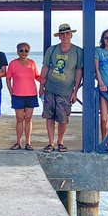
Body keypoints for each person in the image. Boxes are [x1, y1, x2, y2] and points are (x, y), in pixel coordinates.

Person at [39, 23, 83, 152]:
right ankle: (51, 143)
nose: (65, 36)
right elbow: (45, 67)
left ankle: (60, 142)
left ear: (71, 35)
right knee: (49, 117)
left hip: (66, 91)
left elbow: (79, 71)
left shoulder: (77, 51)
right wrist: (41, 86)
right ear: (59, 36)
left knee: (63, 119)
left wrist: (75, 91)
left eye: (67, 33)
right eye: (62, 34)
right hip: (50, 88)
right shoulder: (52, 50)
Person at [6, 42, 39, 150]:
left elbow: (37, 76)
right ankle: (18, 142)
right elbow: (8, 78)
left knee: (28, 119)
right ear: (17, 51)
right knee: (19, 119)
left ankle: (28, 142)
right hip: (18, 95)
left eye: (26, 50)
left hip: (31, 94)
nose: (23, 52)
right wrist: (11, 92)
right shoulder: (13, 64)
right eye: (21, 50)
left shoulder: (32, 63)